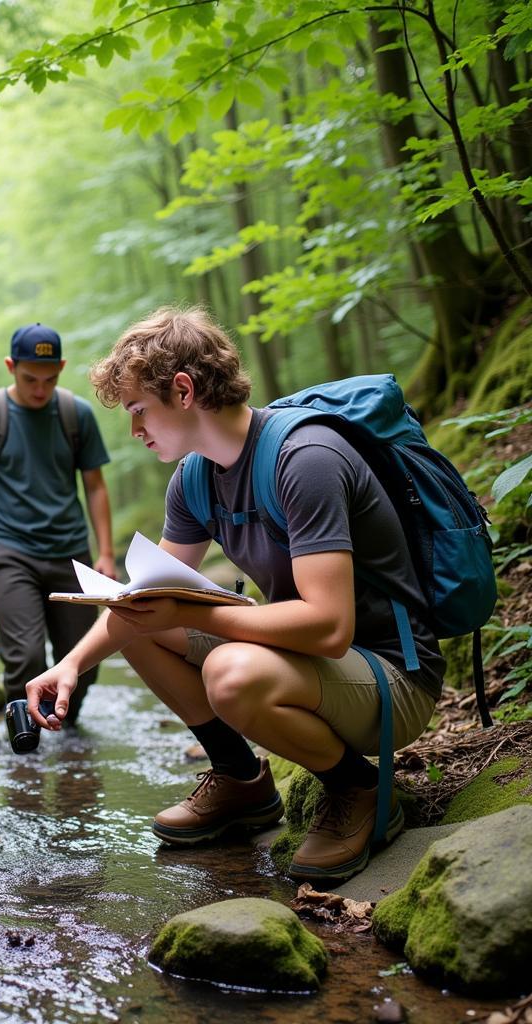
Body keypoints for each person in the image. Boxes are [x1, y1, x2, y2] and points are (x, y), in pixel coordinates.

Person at [25, 307, 443, 882]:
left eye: (139, 410)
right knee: (135, 615)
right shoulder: (195, 480)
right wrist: (69, 664)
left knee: (230, 671)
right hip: (315, 665)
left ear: (184, 390)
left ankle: (362, 789)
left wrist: (205, 621)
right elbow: (145, 600)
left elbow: (329, 626)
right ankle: (240, 779)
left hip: (391, 678)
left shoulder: (306, 459)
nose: (135, 429)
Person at [0, 323, 116, 721]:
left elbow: (95, 486)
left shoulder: (78, 415)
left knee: (84, 660)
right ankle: (26, 748)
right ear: (10, 366)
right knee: (24, 657)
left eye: (50, 379)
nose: (40, 389)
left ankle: (66, 735)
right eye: (29, 379)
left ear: (61, 367)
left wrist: (106, 553)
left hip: (72, 552)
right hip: (11, 552)